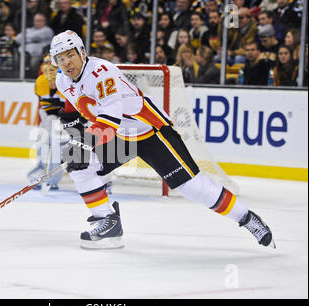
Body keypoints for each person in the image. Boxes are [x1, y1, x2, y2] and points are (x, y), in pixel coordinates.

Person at [49, 30, 275, 250]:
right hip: (121, 136)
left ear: (82, 51)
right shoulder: (62, 80)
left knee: (192, 187)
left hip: (150, 131)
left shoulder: (101, 72)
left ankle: (247, 218)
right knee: (80, 165)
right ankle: (107, 221)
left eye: (70, 54)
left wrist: (84, 141)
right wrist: (76, 140)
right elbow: (71, 109)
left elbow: (110, 121)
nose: (67, 62)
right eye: (60, 58)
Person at [27, 54, 68, 191]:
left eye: (53, 68)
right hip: (49, 117)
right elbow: (47, 108)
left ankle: (53, 179)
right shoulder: (41, 82)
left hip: (66, 119)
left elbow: (65, 108)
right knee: (42, 145)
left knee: (58, 149)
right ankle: (38, 176)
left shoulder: (67, 80)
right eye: (47, 67)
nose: (50, 72)